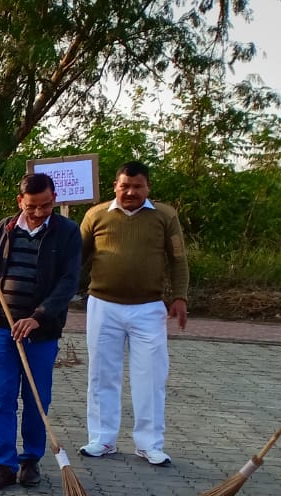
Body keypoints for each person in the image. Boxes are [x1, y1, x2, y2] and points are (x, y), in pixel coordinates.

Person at [0, 173, 80, 490]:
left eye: (46, 205)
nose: (39, 212)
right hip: (4, 328)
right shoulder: (6, 228)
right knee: (1, 398)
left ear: (54, 198)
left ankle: (30, 460)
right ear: (21, 202)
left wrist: (38, 317)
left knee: (36, 398)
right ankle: (5, 464)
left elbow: (68, 283)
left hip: (40, 332)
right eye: (32, 207)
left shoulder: (67, 233)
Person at [77, 161, 188, 466]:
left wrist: (180, 296)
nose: (130, 192)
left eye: (137, 187)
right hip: (102, 305)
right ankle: (102, 438)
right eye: (124, 186)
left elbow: (178, 260)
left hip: (149, 308)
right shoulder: (95, 215)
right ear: (115, 185)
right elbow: (76, 258)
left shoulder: (165, 216)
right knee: (101, 374)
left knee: (150, 377)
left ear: (147, 188)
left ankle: (149, 444)